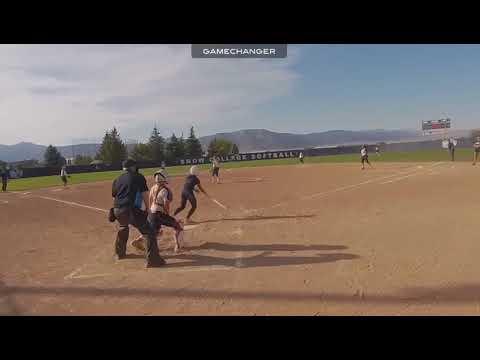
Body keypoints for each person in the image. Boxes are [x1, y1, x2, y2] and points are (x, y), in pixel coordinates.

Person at [111, 159, 165, 268]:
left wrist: (116, 209)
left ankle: (119, 254)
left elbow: (114, 196)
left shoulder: (117, 179)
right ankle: (153, 260)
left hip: (117, 209)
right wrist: (148, 211)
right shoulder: (138, 176)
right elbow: (145, 194)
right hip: (130, 209)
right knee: (149, 232)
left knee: (123, 227)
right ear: (133, 167)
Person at [132, 169, 185, 253]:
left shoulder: (153, 187)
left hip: (152, 213)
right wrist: (168, 214)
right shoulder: (165, 190)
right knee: (178, 226)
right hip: (159, 213)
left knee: (154, 231)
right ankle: (177, 246)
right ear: (163, 178)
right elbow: (166, 203)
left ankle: (139, 240)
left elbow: (149, 200)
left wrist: (149, 211)